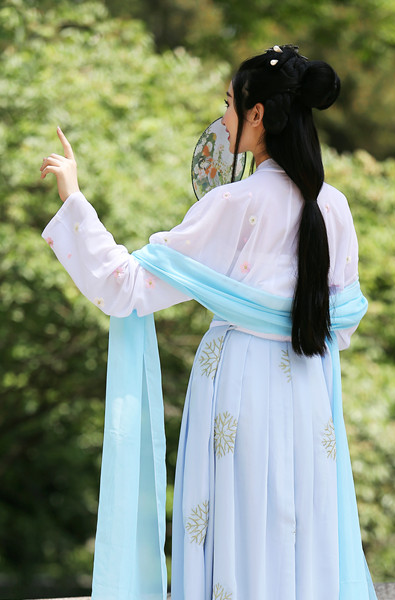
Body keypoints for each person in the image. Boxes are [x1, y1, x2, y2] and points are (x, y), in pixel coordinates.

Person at [40, 45, 376, 600]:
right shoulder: (333, 206)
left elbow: (127, 286)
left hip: (240, 386)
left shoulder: (237, 202)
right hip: (309, 393)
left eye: (228, 103)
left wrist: (74, 199)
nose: (223, 117)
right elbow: (341, 326)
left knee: (237, 537)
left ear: (256, 114)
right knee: (301, 534)